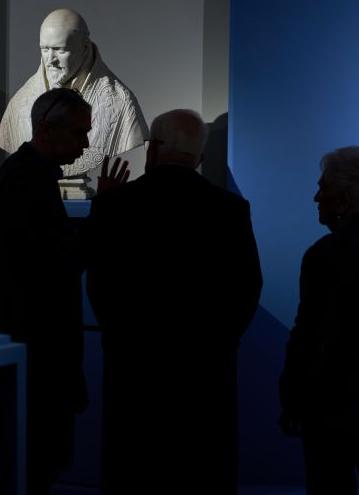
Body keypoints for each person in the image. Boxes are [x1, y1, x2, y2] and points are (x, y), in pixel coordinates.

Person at [85, 109, 262, 494]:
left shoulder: (115, 205)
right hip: (205, 369)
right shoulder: (230, 209)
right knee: (200, 468)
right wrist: (220, 342)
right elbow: (247, 287)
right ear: (198, 155)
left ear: (152, 150)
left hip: (133, 365)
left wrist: (119, 336)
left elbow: (99, 284)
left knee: (134, 467)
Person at [0, 87, 127, 494]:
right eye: (79, 132)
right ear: (46, 128)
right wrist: (104, 210)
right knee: (35, 461)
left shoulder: (24, 175)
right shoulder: (28, 182)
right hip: (35, 349)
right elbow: (59, 265)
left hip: (28, 346)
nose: (85, 143)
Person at [279, 146, 359, 494]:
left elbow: (309, 334)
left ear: (342, 200)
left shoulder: (325, 254)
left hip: (333, 409)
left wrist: (291, 398)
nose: (316, 196)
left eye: (323, 189)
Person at [0, 9, 148, 195]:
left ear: (84, 48)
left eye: (60, 50)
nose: (51, 60)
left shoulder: (121, 102)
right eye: (44, 49)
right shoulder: (19, 104)